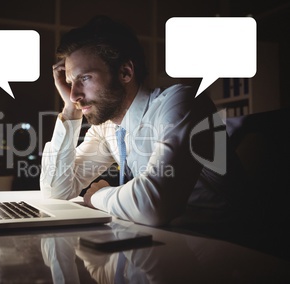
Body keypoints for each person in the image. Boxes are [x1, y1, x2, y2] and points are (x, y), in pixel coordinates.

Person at [40, 15, 245, 228]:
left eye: (84, 78)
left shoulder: (181, 104)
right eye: (71, 82)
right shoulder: (107, 128)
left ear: (125, 72)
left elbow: (153, 207)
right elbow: (56, 192)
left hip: (222, 245)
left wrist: (98, 195)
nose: (74, 94)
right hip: (163, 244)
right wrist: (70, 110)